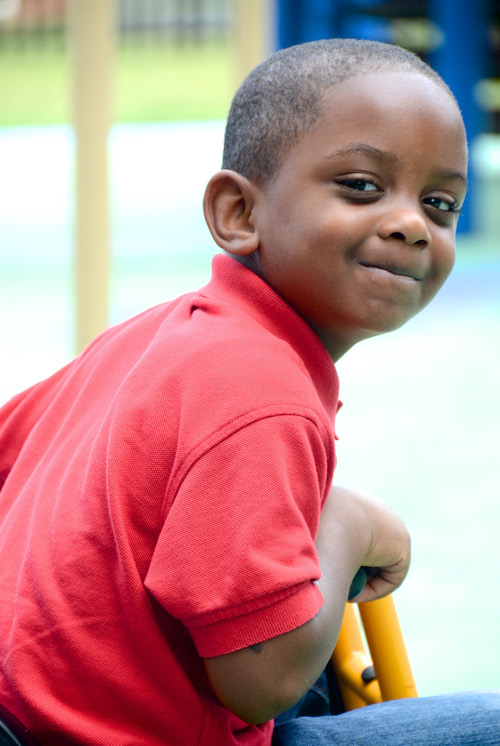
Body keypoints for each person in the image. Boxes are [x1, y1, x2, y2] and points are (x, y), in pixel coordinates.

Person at [0, 38, 498, 745]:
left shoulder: (152, 338)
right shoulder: (261, 392)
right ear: (239, 212)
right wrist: (350, 523)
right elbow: (261, 680)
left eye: (440, 203)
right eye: (361, 186)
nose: (410, 224)